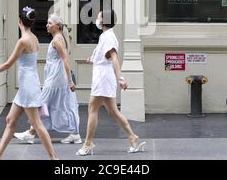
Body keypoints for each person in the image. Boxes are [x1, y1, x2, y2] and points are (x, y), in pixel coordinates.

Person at [0, 7, 58, 160]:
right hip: (28, 85)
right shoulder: (33, 38)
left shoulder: (23, 41)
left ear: (19, 22)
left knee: (37, 124)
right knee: (10, 120)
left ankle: (54, 158)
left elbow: (8, 64)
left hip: (28, 87)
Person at [76, 10, 146, 156]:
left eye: (99, 16)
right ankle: (133, 137)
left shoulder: (108, 37)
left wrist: (121, 79)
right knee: (113, 111)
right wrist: (93, 59)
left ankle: (88, 143)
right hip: (103, 76)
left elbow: (114, 58)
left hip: (103, 78)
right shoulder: (106, 36)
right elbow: (106, 57)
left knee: (92, 108)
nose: (96, 18)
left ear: (104, 21)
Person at [13, 14, 81, 144]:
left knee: (43, 102)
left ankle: (31, 132)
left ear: (57, 25)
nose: (47, 25)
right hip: (57, 76)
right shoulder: (59, 38)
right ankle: (75, 133)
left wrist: (70, 80)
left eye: (49, 23)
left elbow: (65, 59)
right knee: (65, 103)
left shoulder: (57, 40)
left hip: (56, 77)